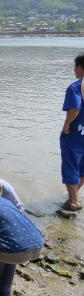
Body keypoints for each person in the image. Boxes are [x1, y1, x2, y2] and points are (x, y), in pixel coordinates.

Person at [60, 53, 84, 211]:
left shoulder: (76, 87)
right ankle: (74, 196)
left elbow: (75, 108)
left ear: (81, 68)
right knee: (82, 166)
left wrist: (67, 124)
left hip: (76, 133)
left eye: (75, 67)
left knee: (70, 165)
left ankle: (73, 202)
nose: (74, 70)